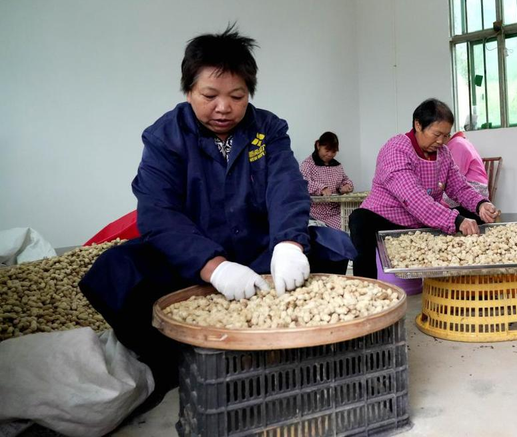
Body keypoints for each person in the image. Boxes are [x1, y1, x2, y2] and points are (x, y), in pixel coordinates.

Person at [79, 25, 355, 403]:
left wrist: (288, 243)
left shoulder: (267, 130)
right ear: (189, 90)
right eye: (210, 95)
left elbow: (286, 187)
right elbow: (158, 214)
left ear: (249, 94)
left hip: (258, 250)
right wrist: (213, 266)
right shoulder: (165, 137)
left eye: (236, 96)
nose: (223, 107)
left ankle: (296, 345)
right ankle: (174, 363)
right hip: (188, 260)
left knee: (335, 245)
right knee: (113, 272)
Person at [349, 98, 500, 278]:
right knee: (359, 220)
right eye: (436, 134)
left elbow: (459, 186)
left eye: (446, 135)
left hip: (423, 220)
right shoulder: (396, 149)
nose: (441, 141)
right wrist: (457, 220)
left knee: (475, 217)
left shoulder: (443, 153)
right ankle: (368, 287)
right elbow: (414, 199)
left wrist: (480, 204)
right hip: (387, 217)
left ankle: (470, 280)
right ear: (418, 125)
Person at [300, 132, 355, 230]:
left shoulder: (337, 166)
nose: (330, 154)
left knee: (357, 220)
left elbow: (345, 179)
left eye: (333, 152)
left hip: (338, 211)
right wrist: (321, 188)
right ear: (318, 145)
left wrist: (346, 186)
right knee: (345, 227)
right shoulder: (308, 164)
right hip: (317, 213)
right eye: (327, 150)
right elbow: (302, 183)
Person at [441, 131, 490, 217]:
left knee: (437, 203)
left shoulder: (457, 144)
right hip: (472, 186)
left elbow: (454, 178)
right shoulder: (459, 141)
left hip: (474, 187)